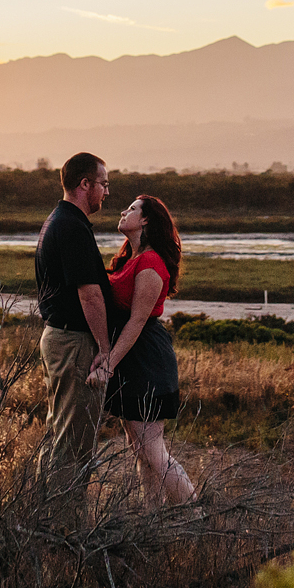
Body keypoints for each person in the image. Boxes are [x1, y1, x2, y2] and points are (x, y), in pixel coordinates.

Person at [90, 194, 195, 506]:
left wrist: (107, 363)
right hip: (131, 358)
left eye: (133, 209)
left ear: (146, 220)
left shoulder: (150, 263)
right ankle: (151, 519)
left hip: (146, 360)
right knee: (141, 449)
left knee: (153, 450)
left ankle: (196, 513)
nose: (124, 211)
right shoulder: (130, 258)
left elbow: (136, 322)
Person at [33, 152, 114, 473]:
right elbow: (89, 294)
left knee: (61, 433)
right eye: (103, 184)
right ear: (85, 184)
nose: (106, 192)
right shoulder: (71, 227)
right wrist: (105, 349)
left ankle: (45, 516)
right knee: (74, 443)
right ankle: (64, 523)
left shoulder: (60, 219)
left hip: (60, 338)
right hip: (73, 343)